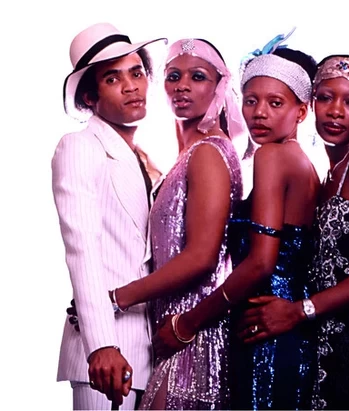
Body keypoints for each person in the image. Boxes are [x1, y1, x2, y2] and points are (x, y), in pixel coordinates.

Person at [150, 32, 321, 410]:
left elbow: (260, 264)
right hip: (278, 330)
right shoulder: (301, 164)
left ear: (301, 111)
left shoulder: (273, 158)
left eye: (275, 103)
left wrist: (188, 323)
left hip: (264, 331)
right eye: (251, 100)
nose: (259, 113)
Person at [238, 54, 349, 410]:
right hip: (328, 339)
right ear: (311, 103)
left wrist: (299, 310)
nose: (335, 111)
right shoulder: (328, 172)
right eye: (325, 97)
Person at [108, 38, 246, 409]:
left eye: (197, 76)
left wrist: (118, 298)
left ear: (219, 87)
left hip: (194, 336)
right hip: (171, 332)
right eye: (173, 76)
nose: (182, 85)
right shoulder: (188, 155)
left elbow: (202, 256)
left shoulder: (208, 153)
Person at [52, 22, 167, 409]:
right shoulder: (80, 146)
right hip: (105, 354)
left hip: (151, 349)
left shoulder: (143, 159)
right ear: (90, 97)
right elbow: (81, 246)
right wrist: (101, 343)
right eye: (113, 78)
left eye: (137, 73)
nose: (131, 86)